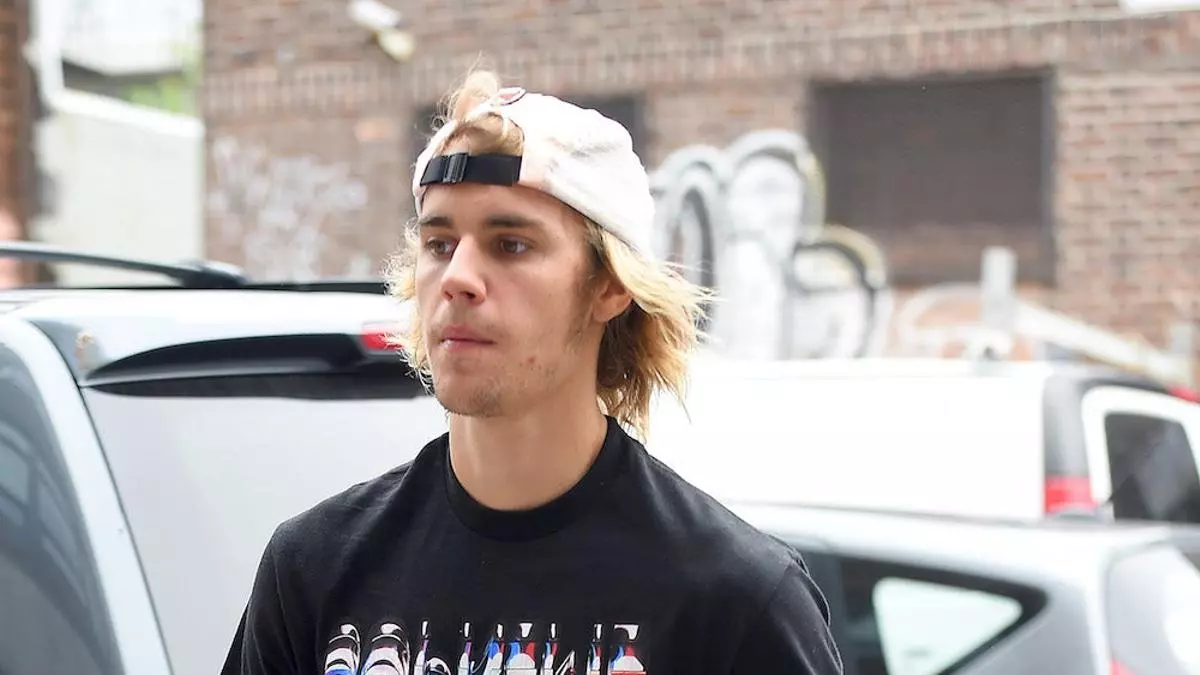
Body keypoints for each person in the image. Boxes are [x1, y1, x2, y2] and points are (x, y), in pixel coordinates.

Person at [221, 69, 844, 675]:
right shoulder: (315, 569)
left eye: (511, 244)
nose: (458, 278)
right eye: (439, 244)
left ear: (609, 286)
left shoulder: (734, 601)